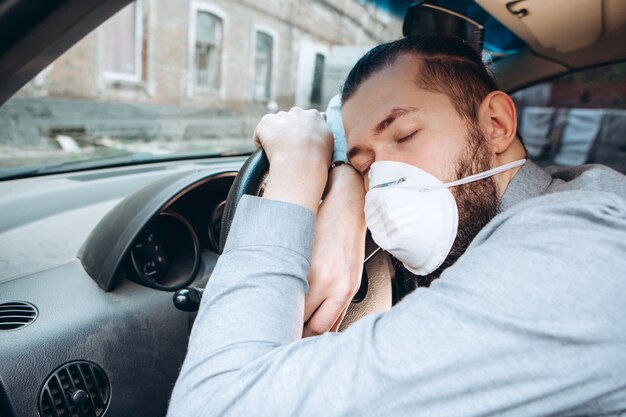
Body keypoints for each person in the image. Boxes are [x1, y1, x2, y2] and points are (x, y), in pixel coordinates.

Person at [167, 36, 626, 416]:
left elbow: (213, 405)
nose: (385, 183)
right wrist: (347, 182)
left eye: (405, 136)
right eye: (370, 165)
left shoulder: (571, 249)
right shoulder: (551, 201)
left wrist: (293, 181)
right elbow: (357, 110)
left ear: (495, 123)